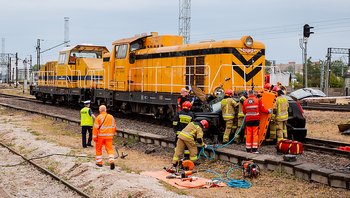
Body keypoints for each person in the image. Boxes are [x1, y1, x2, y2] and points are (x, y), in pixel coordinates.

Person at [93, 105, 117, 169]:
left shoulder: (98, 117)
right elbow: (114, 127)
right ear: (106, 110)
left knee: (99, 149)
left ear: (99, 110)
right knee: (109, 149)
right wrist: (112, 134)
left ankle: (99, 163)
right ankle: (111, 160)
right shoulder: (111, 117)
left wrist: (94, 137)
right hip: (109, 137)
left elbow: (95, 128)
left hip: (100, 137)